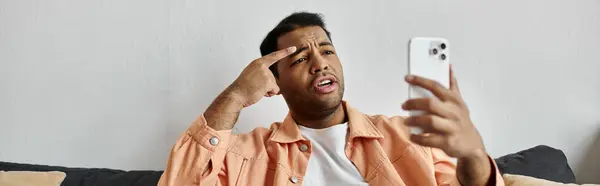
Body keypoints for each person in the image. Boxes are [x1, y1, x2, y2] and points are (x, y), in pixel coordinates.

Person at [158, 12, 504, 186]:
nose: (320, 62)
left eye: (326, 50)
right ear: (273, 82)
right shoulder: (244, 155)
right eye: (300, 58)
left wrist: (472, 153)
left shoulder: (413, 137)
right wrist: (234, 95)